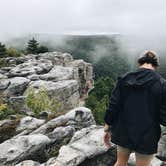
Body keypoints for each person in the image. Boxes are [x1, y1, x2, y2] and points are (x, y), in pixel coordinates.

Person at [103, 51, 166, 166]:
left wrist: (107, 127)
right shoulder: (162, 84)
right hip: (148, 134)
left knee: (120, 163)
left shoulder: (124, 78)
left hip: (123, 129)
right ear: (156, 65)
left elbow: (113, 105)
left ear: (139, 62)